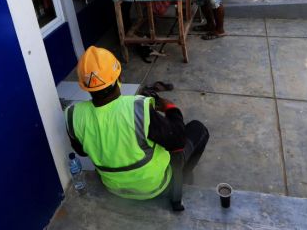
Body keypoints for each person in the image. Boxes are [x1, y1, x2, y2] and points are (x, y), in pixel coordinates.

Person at [64, 46, 209, 208]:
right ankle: (183, 176)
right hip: (154, 187)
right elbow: (177, 140)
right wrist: (170, 108)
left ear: (86, 86)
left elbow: (82, 151)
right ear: (118, 76)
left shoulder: (73, 115)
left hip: (115, 189)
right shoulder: (138, 108)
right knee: (198, 129)